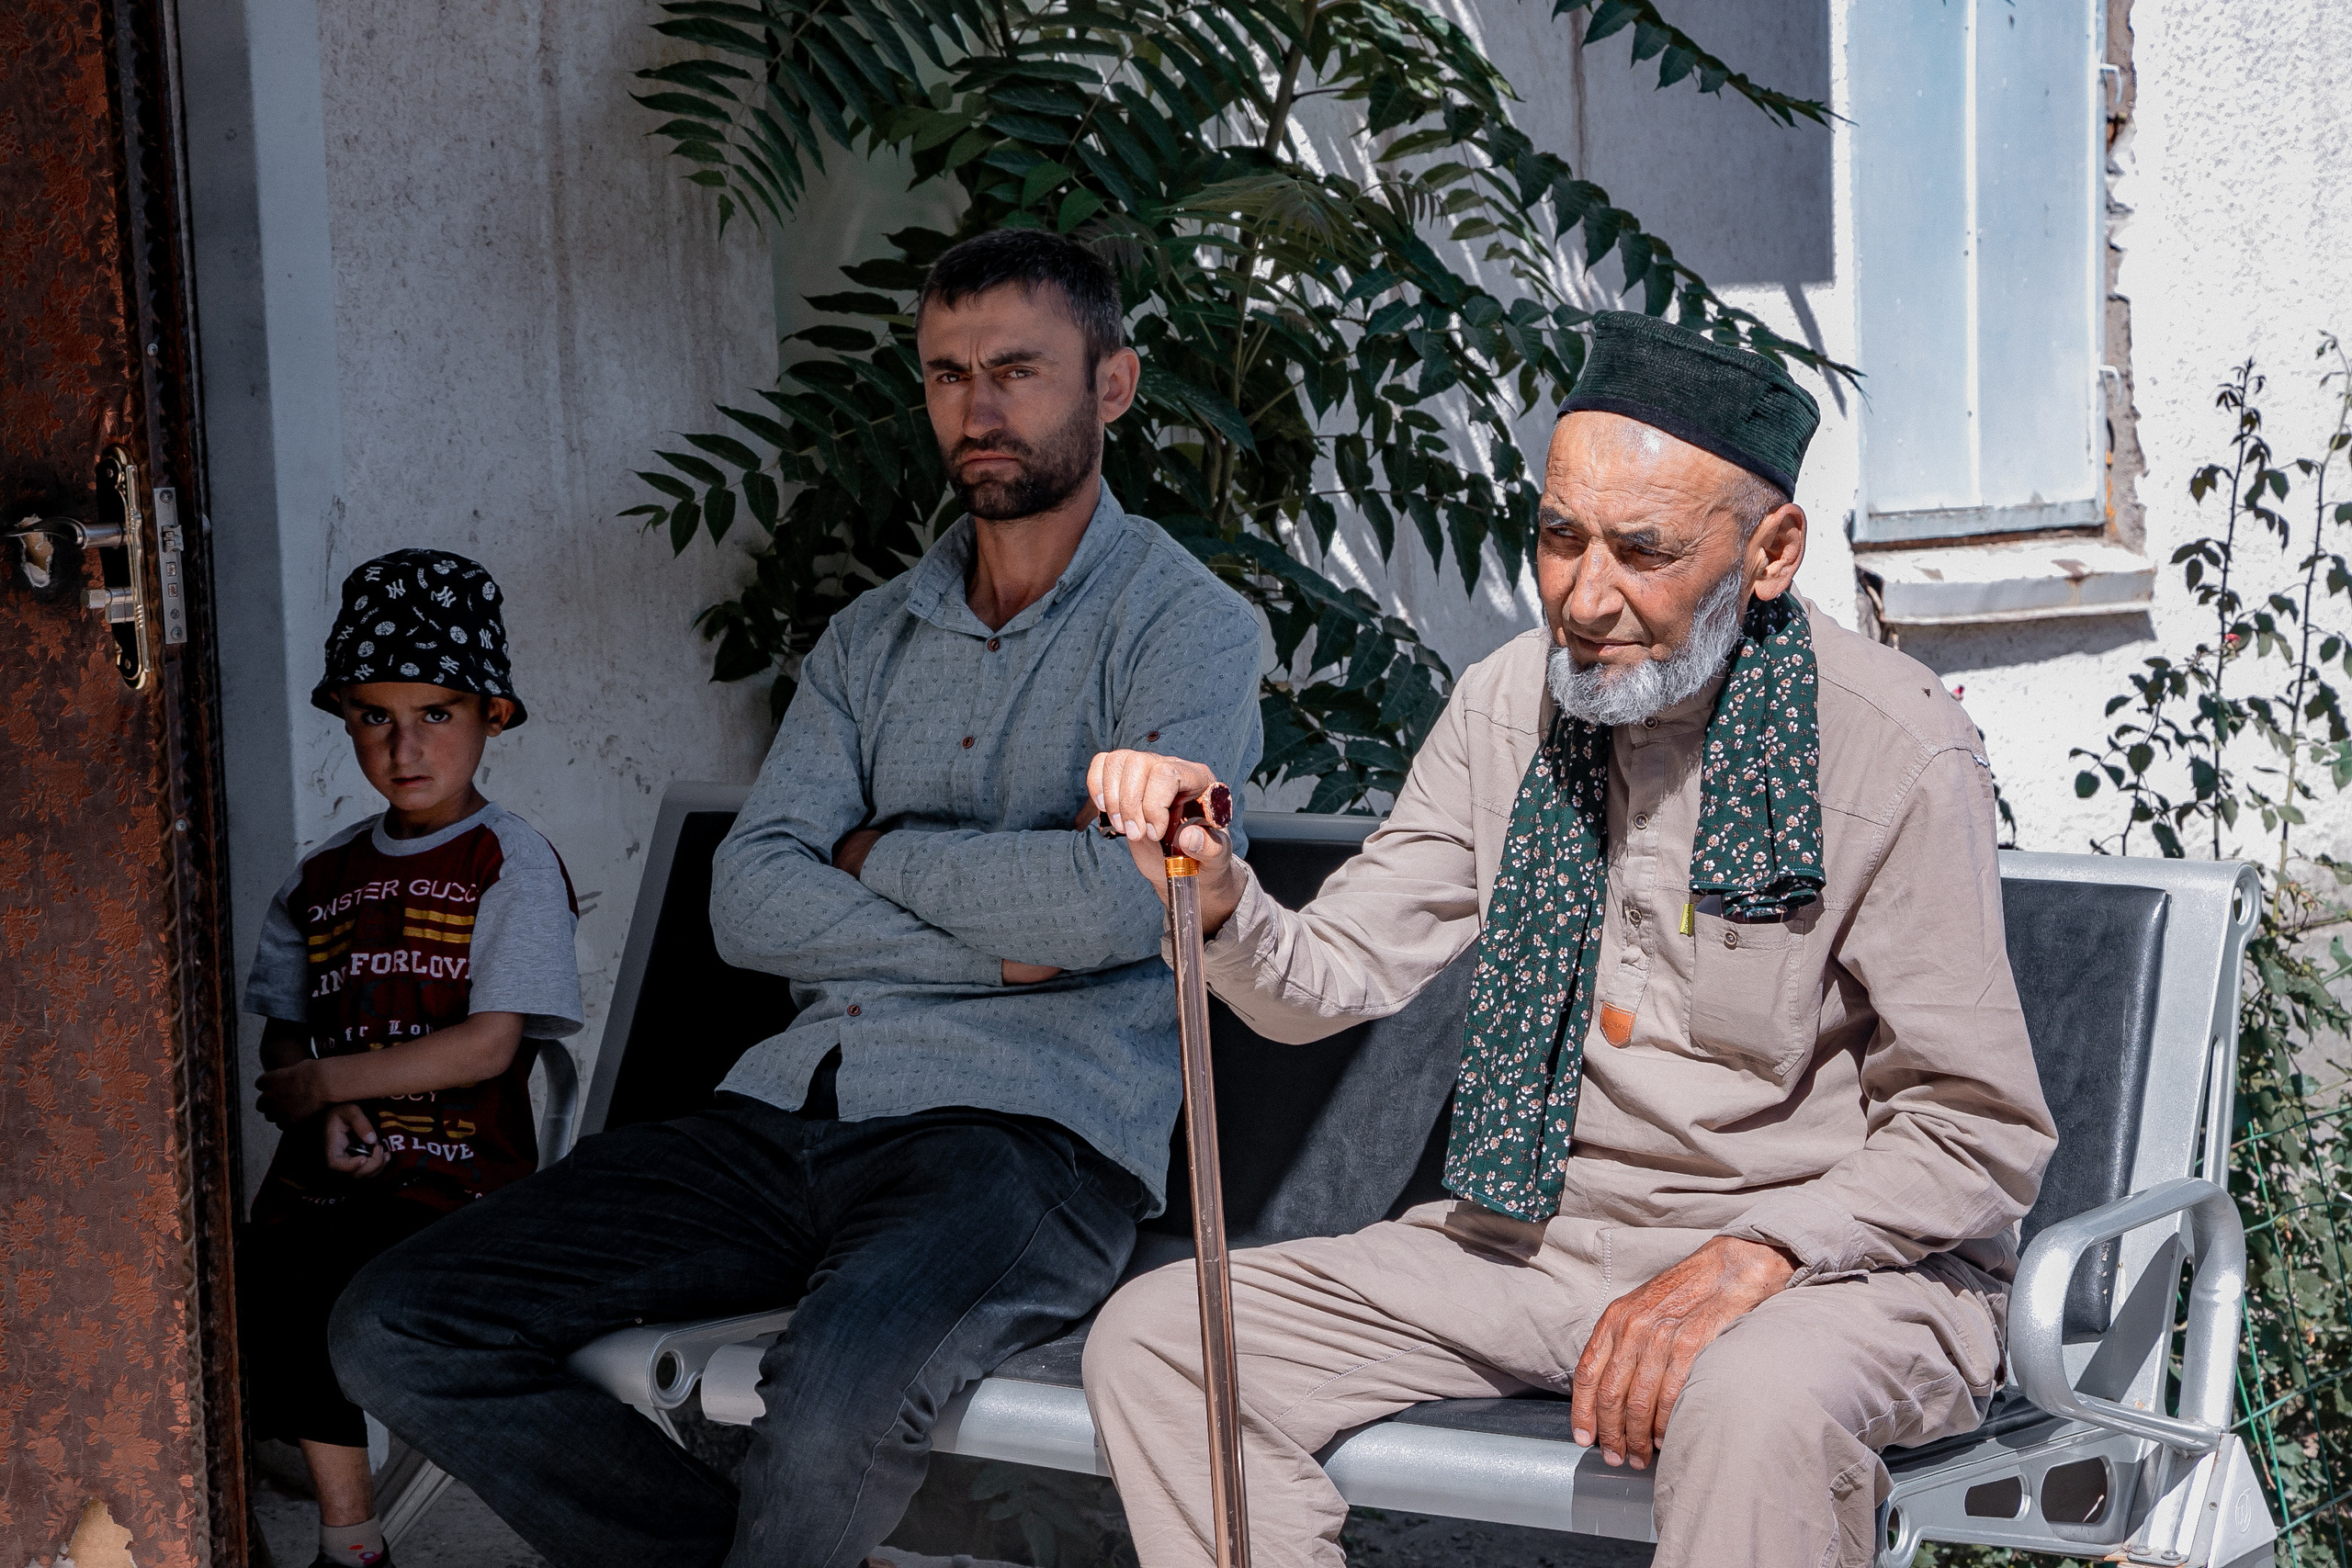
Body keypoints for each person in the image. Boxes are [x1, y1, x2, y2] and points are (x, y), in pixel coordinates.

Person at [330, 228, 1264, 1568]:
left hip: (1023, 1139)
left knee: (827, 1408)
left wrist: (877, 854)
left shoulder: (1190, 628)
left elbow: (1126, 911)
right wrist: (1002, 938)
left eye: (1017, 370)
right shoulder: (869, 635)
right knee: (395, 1320)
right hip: (789, 1112)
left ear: (1113, 385)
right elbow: (750, 901)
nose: (978, 410)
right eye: (947, 374)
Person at [1081, 311, 2059, 1568]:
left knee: (1753, 1399)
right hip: (1534, 1244)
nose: (1583, 597)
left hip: (1834, 1275)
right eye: (1557, 535)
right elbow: (1322, 978)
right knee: (1168, 1339)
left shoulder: (1892, 743)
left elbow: (1974, 1130)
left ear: (1770, 552)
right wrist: (1212, 889)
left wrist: (1755, 1254)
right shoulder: (1509, 705)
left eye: (1642, 550)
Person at [238, 547, 584, 1568]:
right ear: (345, 720)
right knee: (237, 1279)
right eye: (374, 717)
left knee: (316, 1280)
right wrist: (318, 1102)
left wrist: (327, 1082)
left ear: (492, 717)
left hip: (457, 1186)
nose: (404, 746)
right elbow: (286, 1023)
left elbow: (490, 1044)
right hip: (323, 1180)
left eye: (435, 712)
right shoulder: (324, 876)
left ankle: (349, 1544)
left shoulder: (505, 861)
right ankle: (306, 1529)